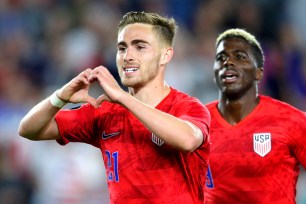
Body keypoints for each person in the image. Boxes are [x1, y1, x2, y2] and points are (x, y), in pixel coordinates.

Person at [18, 11, 211, 203]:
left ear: (165, 55)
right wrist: (60, 96)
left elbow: (187, 140)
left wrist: (122, 97)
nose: (127, 56)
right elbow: (29, 129)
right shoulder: (104, 112)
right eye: (122, 48)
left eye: (140, 47)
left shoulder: (188, 107)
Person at [204, 28, 306, 204]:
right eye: (221, 58)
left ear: (259, 72)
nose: (228, 62)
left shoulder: (290, 120)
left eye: (240, 57)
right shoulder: (196, 123)